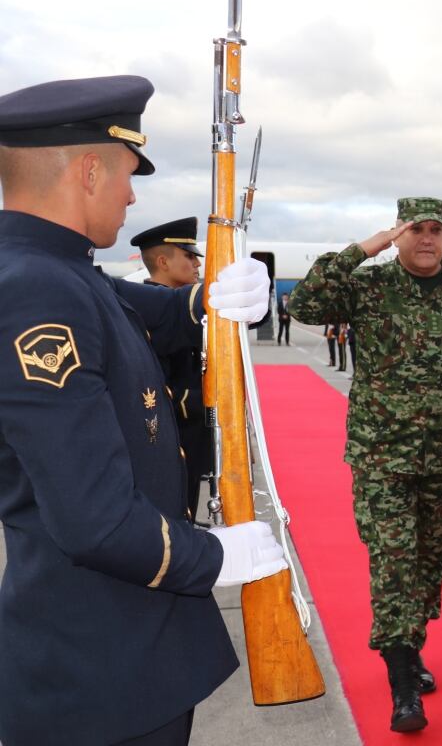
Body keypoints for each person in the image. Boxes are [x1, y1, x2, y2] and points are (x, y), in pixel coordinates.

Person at [0, 74, 285, 746]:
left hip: (116, 649)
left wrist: (217, 299)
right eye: (128, 173)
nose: (132, 195)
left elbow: (150, 315)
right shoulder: (38, 289)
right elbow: (94, 520)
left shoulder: (59, 272)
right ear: (90, 170)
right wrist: (212, 558)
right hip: (99, 669)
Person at [288, 196, 442, 733]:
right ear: (398, 234)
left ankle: (409, 644)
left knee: (433, 560)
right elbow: (304, 302)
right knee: (394, 561)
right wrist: (365, 247)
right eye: (415, 229)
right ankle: (403, 684)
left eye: (436, 229)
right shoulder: (369, 287)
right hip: (382, 454)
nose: (426, 238)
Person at [130, 216, 210, 521]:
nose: (197, 265)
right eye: (189, 257)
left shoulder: (189, 311)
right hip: (164, 438)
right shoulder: (143, 313)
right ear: (162, 261)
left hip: (191, 437)